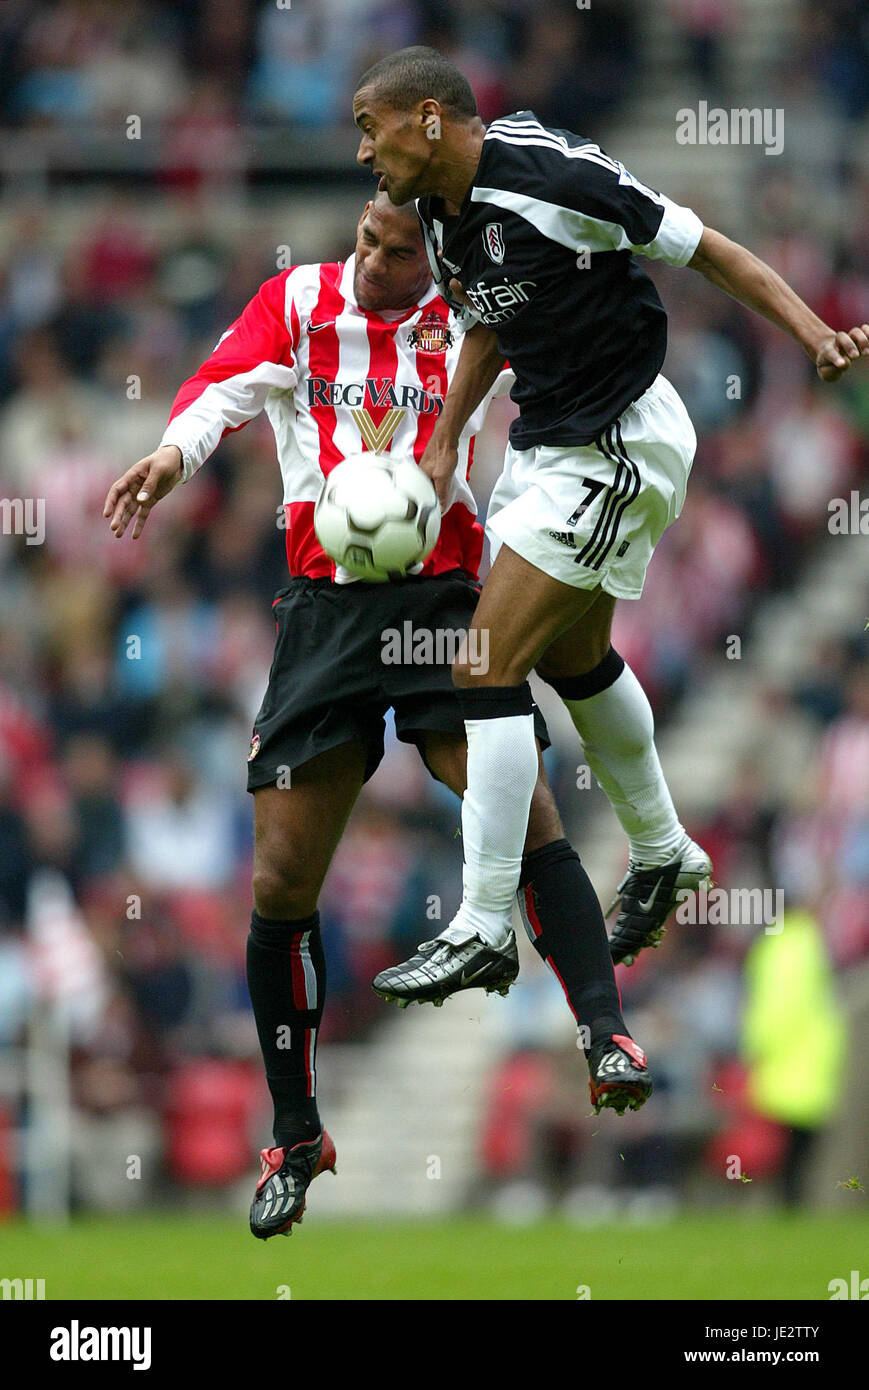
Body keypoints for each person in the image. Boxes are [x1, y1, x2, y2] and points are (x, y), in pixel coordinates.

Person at [102, 194, 651, 1240]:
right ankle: (297, 1131)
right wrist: (172, 457)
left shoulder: (464, 305)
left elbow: (566, 353)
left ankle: (603, 1031)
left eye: (396, 252)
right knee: (278, 880)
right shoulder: (297, 300)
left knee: (523, 809)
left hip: (446, 595)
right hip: (323, 614)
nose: (374, 263)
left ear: (426, 256)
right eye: (365, 241)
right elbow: (219, 392)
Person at [352, 45, 869, 999]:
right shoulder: (434, 210)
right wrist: (446, 435)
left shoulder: (554, 174)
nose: (360, 151)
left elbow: (705, 246)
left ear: (427, 118)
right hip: (549, 443)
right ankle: (665, 851)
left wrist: (815, 335)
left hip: (619, 438)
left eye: (368, 126)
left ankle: (480, 923)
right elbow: (488, 319)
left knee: (482, 663)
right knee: (569, 660)